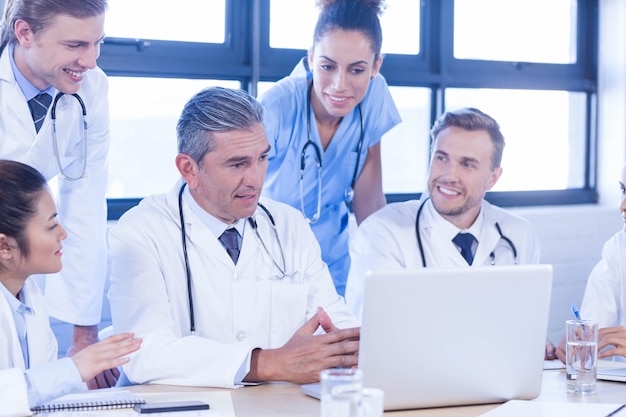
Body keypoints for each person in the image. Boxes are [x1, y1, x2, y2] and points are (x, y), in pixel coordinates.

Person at [108, 86, 360, 388]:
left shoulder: (288, 224)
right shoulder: (140, 232)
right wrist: (267, 363)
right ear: (189, 169)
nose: (255, 179)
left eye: (263, 158)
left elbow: (332, 317)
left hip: (275, 407)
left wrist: (352, 347)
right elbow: (143, 352)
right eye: (237, 164)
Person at [0, 0, 112, 387]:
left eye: (98, 43)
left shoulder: (92, 90)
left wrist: (85, 329)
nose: (91, 61)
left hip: (19, 257)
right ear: (25, 33)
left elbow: (84, 204)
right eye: (75, 45)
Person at [259, 0, 401, 297]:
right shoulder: (277, 107)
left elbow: (370, 202)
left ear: (376, 66)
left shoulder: (374, 98)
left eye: (357, 70)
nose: (339, 85)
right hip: (267, 263)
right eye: (327, 66)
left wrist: (392, 274)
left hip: (333, 266)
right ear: (310, 59)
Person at [345, 107, 541, 320]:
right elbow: (375, 335)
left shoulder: (518, 234)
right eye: (441, 158)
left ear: (493, 178)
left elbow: (526, 324)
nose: (449, 175)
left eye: (467, 164)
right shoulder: (382, 233)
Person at [0, 160, 141, 416]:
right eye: (52, 225)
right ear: (4, 247)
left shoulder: (28, 297)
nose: (63, 234)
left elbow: (40, 398)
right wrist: (74, 368)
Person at [554, 162, 626, 363]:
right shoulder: (618, 248)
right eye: (623, 190)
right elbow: (592, 330)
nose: (622, 206)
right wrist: (577, 345)